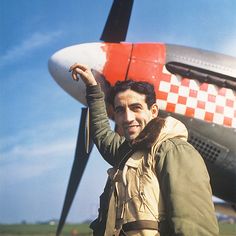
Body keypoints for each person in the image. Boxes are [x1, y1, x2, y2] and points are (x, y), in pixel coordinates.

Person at [69, 63, 219, 236]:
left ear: (153, 111)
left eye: (136, 108)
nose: (127, 118)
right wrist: (93, 88)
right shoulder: (127, 152)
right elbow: (102, 133)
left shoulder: (174, 151)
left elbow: (195, 227)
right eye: (120, 110)